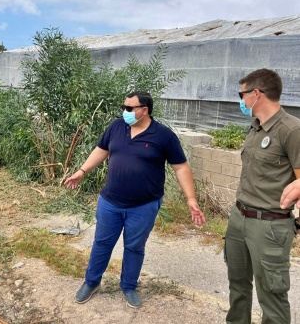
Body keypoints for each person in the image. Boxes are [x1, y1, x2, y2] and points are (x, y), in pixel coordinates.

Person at [64, 90, 206, 308]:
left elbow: (180, 167)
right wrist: (82, 171)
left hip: (144, 206)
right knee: (102, 243)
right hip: (110, 202)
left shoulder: (164, 135)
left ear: (144, 110)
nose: (125, 112)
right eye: (124, 107)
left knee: (134, 246)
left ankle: (129, 286)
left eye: (129, 108)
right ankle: (91, 282)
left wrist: (191, 198)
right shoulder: (116, 127)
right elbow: (101, 151)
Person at [224, 68, 300, 324]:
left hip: (269, 225)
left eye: (242, 94)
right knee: (237, 285)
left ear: (256, 94)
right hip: (239, 218)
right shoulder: (255, 127)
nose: (241, 100)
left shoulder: (291, 130)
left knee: (272, 295)